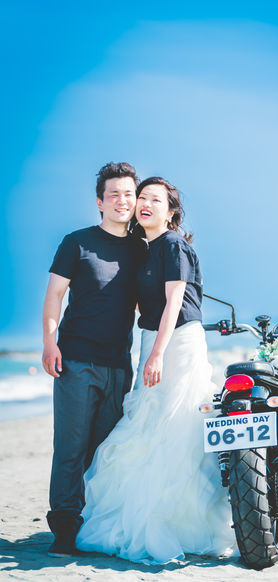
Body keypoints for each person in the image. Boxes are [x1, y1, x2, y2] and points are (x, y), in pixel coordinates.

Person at [76, 177, 236, 564]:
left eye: (155, 199)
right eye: (142, 197)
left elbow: (174, 302)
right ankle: (153, 513)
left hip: (178, 342)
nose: (145, 203)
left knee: (176, 425)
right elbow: (140, 305)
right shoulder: (143, 250)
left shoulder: (173, 244)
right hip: (152, 340)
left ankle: (180, 522)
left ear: (171, 212)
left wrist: (158, 354)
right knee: (149, 426)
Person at [42, 162, 144, 557]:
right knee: (71, 446)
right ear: (100, 202)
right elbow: (55, 295)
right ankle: (65, 528)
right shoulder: (77, 242)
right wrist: (49, 343)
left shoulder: (141, 248)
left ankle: (95, 523)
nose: (122, 200)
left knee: (105, 448)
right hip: (76, 360)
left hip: (119, 363)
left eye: (128, 194)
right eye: (114, 193)